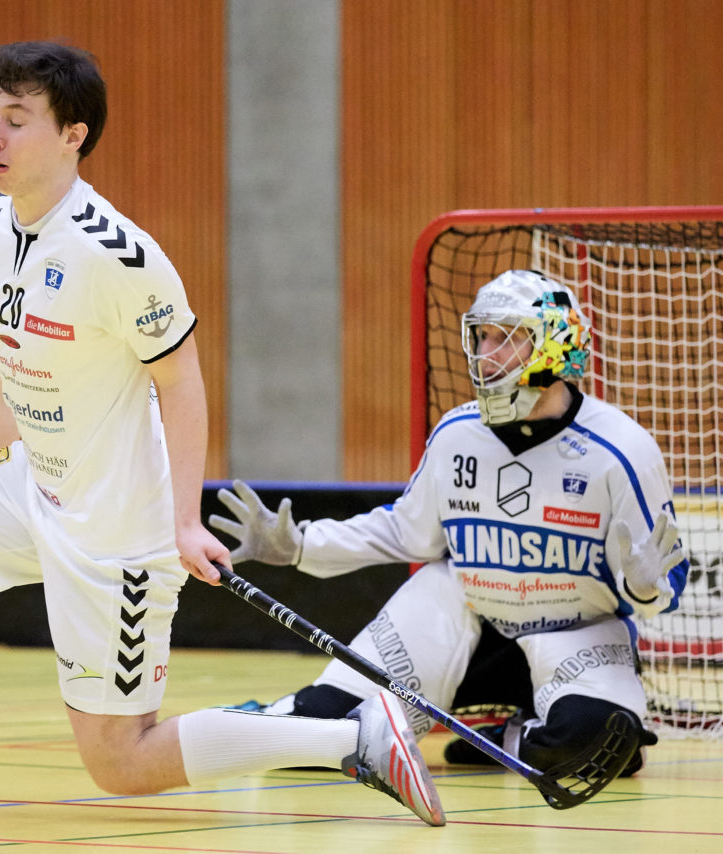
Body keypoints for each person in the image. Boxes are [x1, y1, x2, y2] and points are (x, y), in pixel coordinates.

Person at [0, 40, 444, 827]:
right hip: (31, 479)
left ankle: (347, 736)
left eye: (17, 121)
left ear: (73, 134)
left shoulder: (119, 255)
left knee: (119, 761)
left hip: (118, 527)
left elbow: (181, 382)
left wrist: (184, 521)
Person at [210, 269, 688, 779]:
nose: (487, 351)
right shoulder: (457, 432)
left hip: (575, 634)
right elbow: (405, 532)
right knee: (318, 733)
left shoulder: (623, 448)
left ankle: (498, 740)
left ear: (556, 346)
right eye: (482, 335)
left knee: (594, 744)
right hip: (462, 623)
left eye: (506, 337)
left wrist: (643, 585)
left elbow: (663, 587)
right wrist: (301, 546)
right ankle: (236, 727)